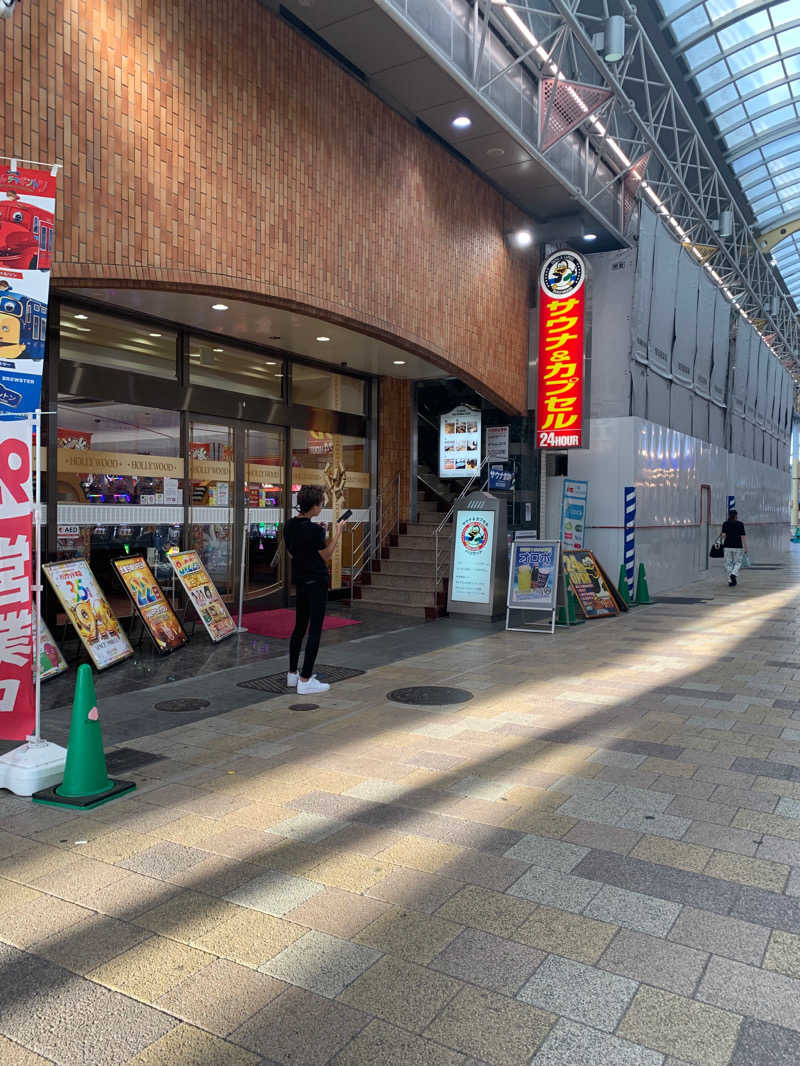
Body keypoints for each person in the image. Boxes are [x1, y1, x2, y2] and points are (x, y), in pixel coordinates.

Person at [282, 485, 343, 694]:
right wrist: (337, 534)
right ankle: (306, 679)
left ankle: (292, 674)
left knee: (299, 627)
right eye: (321, 503)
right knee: (315, 629)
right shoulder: (316, 530)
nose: (322, 507)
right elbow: (326, 555)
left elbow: (291, 553)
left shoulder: (289, 525)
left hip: (300, 581)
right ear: (314, 505)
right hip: (316, 582)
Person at [721, 508, 748, 587]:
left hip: (727, 546)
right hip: (738, 546)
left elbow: (723, 535)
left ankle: (731, 581)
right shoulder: (740, 524)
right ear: (736, 516)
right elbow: (743, 536)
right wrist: (745, 547)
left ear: (729, 515)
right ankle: (733, 574)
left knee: (728, 563)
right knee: (738, 562)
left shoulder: (725, 524)